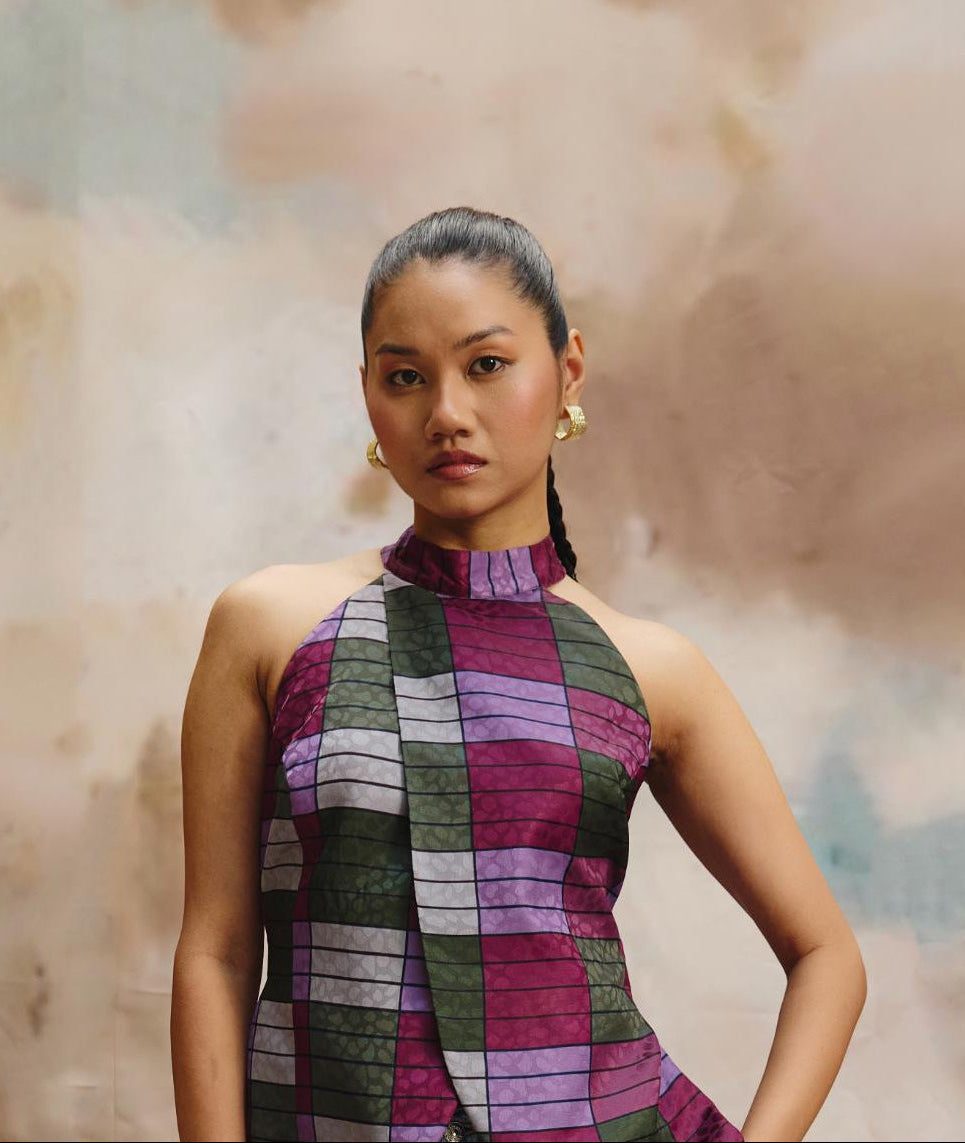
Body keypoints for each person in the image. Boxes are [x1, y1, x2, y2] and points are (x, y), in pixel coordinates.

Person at [171, 206, 867, 1143]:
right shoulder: (268, 627)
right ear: (368, 393)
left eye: (487, 364)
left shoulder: (647, 666)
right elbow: (216, 951)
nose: (447, 414)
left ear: (567, 370)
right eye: (405, 376)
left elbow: (825, 955)